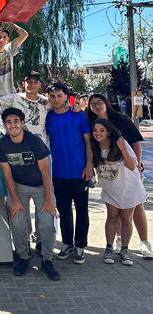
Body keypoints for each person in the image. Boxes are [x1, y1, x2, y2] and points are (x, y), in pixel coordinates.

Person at [0, 108, 60, 281]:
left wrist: (48, 199)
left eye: (16, 121)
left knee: (47, 223)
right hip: (19, 187)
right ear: (4, 125)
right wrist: (14, 200)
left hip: (41, 187)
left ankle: (47, 259)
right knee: (17, 221)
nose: (13, 125)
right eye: (9, 122)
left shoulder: (34, 142)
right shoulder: (1, 145)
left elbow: (46, 173)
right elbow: (7, 175)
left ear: (22, 123)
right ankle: (23, 256)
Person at [87, 93, 153, 259]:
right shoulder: (92, 125)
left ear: (106, 103)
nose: (96, 106)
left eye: (99, 102)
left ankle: (144, 242)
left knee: (135, 208)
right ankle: (118, 241)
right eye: (92, 104)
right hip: (111, 177)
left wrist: (137, 165)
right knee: (114, 212)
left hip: (129, 169)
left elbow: (136, 142)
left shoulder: (121, 120)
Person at [45, 82, 93, 264]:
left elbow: (88, 143)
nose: (56, 99)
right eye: (52, 96)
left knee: (82, 211)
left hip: (79, 172)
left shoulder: (78, 115)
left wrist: (89, 165)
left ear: (66, 96)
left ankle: (80, 246)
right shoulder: (48, 117)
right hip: (58, 173)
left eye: (59, 95)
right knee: (64, 211)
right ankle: (67, 244)